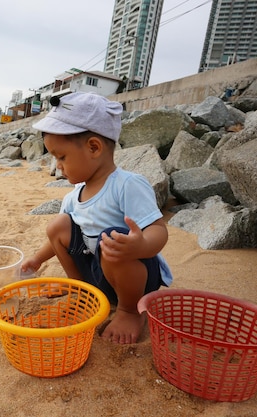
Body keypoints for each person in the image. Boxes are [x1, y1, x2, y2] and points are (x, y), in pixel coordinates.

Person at [22, 92, 173, 345]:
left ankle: (128, 311)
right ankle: (81, 289)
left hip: (136, 279)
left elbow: (158, 229)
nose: (57, 165)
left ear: (94, 147)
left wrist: (141, 245)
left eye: (61, 157)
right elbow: (59, 239)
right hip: (100, 273)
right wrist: (37, 259)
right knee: (58, 225)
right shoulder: (73, 197)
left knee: (111, 238)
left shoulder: (127, 185)